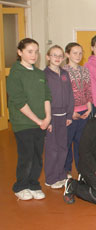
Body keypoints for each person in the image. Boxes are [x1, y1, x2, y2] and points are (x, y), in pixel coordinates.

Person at [7, 38, 51, 200]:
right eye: (29, 51)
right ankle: (20, 186)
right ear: (20, 52)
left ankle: (33, 184)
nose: (34, 55)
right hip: (24, 123)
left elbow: (47, 96)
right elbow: (19, 101)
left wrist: (47, 118)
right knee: (26, 155)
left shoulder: (39, 74)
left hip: (41, 122)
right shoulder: (15, 73)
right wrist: (38, 121)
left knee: (37, 156)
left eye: (36, 51)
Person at [43, 45, 75, 189]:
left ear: (63, 58)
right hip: (51, 116)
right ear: (48, 57)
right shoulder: (44, 75)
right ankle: (51, 178)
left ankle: (61, 174)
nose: (57, 58)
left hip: (64, 116)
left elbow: (69, 94)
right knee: (52, 149)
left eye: (60, 56)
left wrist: (69, 114)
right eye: (54, 55)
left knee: (63, 147)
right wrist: (46, 118)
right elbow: (43, 98)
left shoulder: (64, 74)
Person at [63, 42, 92, 179]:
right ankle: (67, 170)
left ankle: (82, 170)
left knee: (81, 143)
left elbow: (88, 89)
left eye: (80, 53)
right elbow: (62, 94)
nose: (78, 56)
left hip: (84, 112)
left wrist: (89, 105)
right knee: (68, 142)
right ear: (67, 54)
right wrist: (69, 111)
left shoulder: (84, 70)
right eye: (75, 53)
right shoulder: (63, 72)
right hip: (71, 113)